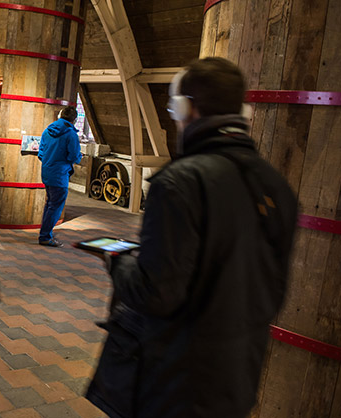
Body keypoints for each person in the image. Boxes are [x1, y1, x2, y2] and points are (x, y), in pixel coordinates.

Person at [86, 57, 298, 418]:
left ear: (187, 108)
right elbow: (272, 293)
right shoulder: (277, 187)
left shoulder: (179, 183)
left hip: (175, 381)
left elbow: (156, 292)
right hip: (235, 379)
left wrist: (119, 262)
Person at [37, 107, 83, 247]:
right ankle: (45, 236)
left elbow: (41, 154)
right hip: (60, 175)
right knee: (55, 206)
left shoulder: (47, 131)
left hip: (47, 173)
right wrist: (77, 158)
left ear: (60, 115)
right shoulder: (70, 134)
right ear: (74, 120)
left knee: (50, 204)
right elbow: (75, 156)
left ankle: (45, 233)